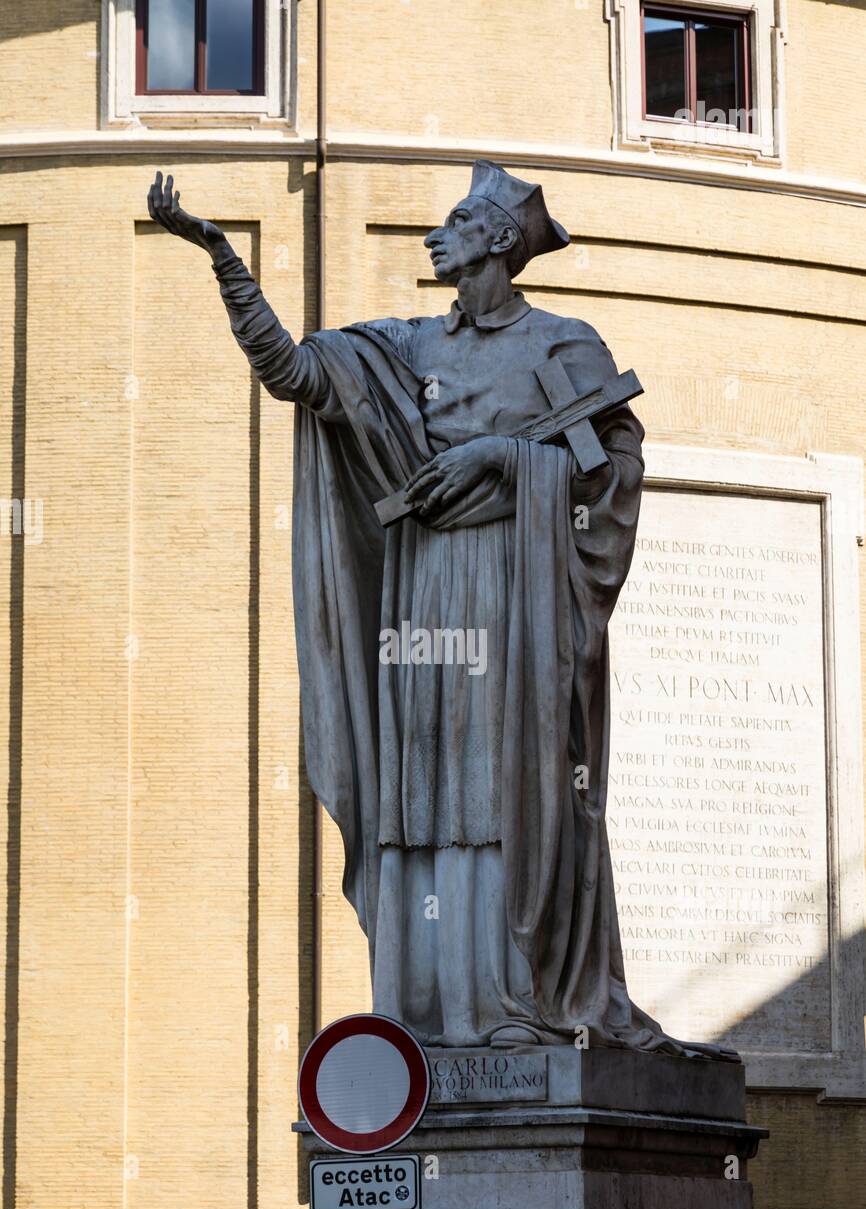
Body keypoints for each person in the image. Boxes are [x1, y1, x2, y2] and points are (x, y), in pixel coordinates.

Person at [147, 161, 738, 1060]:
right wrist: (223, 259)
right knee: (424, 788)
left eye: (457, 220)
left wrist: (507, 459)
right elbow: (294, 371)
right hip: (421, 587)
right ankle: (428, 1006)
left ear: (500, 239)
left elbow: (610, 472)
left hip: (516, 591)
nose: (435, 234)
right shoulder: (408, 346)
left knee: (509, 782)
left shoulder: (562, 347)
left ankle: (518, 998)